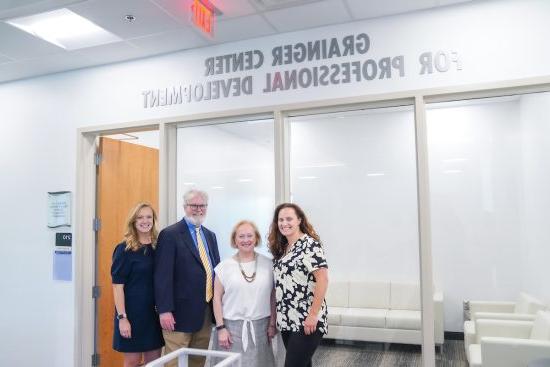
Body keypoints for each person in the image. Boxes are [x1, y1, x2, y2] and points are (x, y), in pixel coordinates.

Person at [154, 189, 220, 367]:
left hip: (204, 314)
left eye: (202, 206)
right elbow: (162, 276)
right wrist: (164, 310)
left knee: (198, 361)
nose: (198, 209)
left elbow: (216, 272)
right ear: (185, 207)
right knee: (175, 362)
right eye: (194, 205)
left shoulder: (210, 236)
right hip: (177, 315)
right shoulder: (170, 234)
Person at [268, 203, 329, 367]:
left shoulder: (310, 244)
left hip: (307, 319)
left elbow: (323, 279)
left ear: (299, 220)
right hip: (287, 319)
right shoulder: (283, 248)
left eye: (289, 219)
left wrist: (313, 315)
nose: (284, 223)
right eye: (280, 219)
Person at [212, 220, 277, 367]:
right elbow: (216, 299)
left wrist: (272, 324)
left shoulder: (269, 265)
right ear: (235, 240)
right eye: (241, 236)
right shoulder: (223, 267)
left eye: (250, 236)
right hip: (231, 330)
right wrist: (221, 328)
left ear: (256, 238)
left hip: (261, 328)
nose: (246, 240)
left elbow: (272, 296)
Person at [111, 202, 164, 367]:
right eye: (140, 217)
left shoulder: (160, 246)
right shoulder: (124, 249)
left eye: (149, 217)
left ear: (154, 220)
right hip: (131, 315)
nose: (145, 221)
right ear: (133, 221)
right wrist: (122, 318)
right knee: (133, 362)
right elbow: (117, 286)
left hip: (154, 315)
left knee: (154, 362)